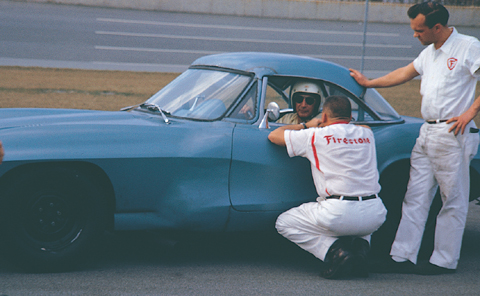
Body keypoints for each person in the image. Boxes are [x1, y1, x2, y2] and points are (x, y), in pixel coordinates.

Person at [349, 1, 480, 275]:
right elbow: (404, 74)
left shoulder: (468, 46)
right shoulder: (429, 53)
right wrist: (369, 82)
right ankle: (402, 256)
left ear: (437, 27)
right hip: (427, 131)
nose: (414, 35)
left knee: (452, 199)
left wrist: (470, 112)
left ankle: (443, 261)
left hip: (452, 133)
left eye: (419, 30)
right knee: (415, 196)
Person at [268, 95, 387, 279]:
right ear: (350, 117)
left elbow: (273, 135)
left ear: (323, 117)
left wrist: (307, 125)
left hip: (338, 213)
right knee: (360, 220)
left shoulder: (315, 135)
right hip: (375, 214)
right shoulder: (367, 133)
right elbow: (360, 127)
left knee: (284, 222)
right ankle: (361, 253)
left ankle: (336, 252)